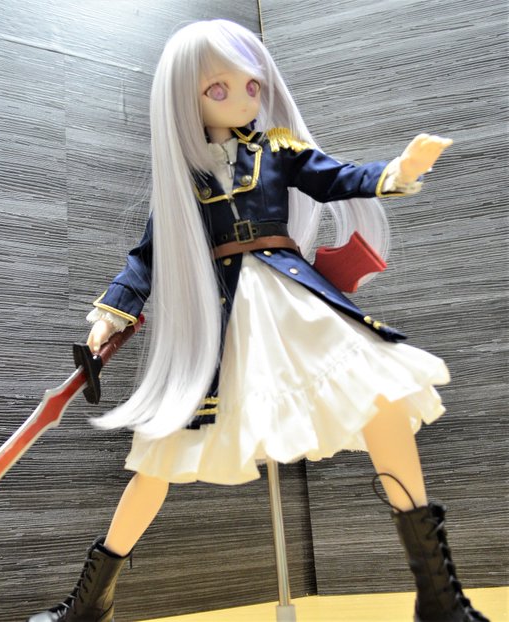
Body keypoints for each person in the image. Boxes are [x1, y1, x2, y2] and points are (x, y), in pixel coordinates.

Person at [28, 19, 487, 622]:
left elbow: (335, 177)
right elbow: (148, 256)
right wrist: (112, 314)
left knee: (381, 398)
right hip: (222, 324)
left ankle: (439, 598)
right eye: (217, 89)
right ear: (185, 97)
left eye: (251, 84)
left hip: (294, 303)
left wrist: (397, 170)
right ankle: (91, 604)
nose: (242, 98)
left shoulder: (277, 150)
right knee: (158, 460)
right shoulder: (184, 179)